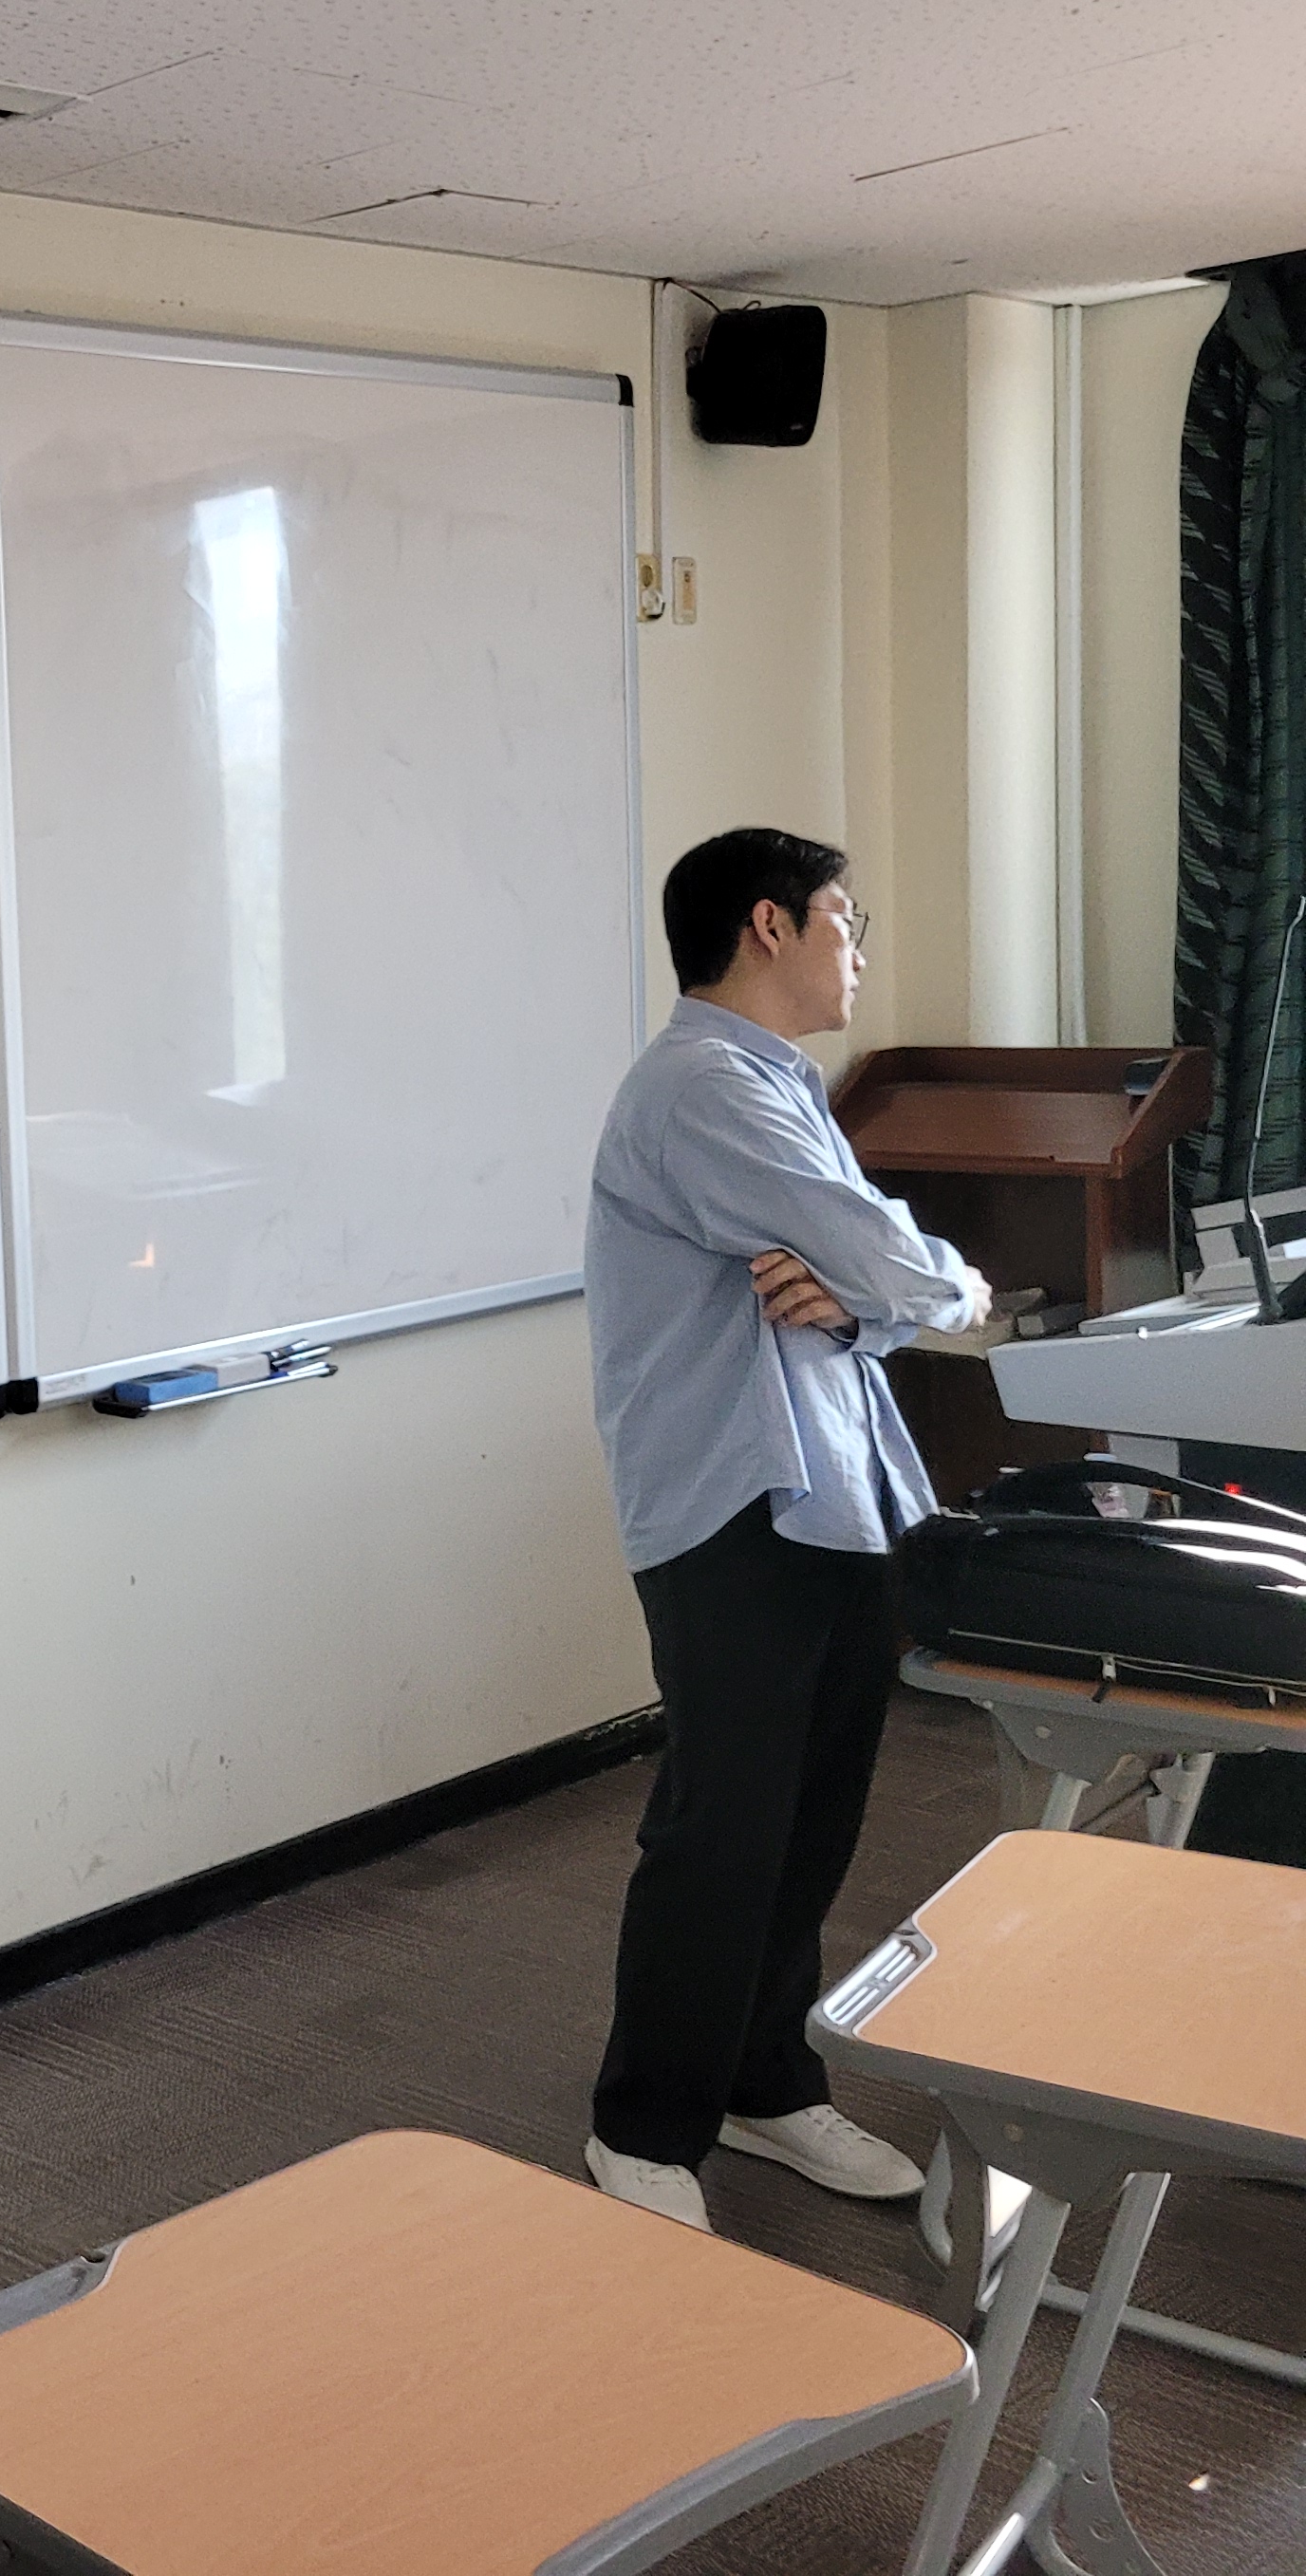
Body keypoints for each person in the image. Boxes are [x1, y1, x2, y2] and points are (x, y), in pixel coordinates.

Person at [581, 828, 994, 2231]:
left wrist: (873, 1298)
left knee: (812, 1813)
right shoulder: (702, 1088)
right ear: (769, 926)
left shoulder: (777, 1084)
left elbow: (849, 1288)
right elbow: (881, 1254)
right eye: (843, 919)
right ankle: (643, 2126)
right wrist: (927, 1286)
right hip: (733, 1504)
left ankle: (764, 2081)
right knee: (726, 1820)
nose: (857, 948)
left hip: (832, 1494)